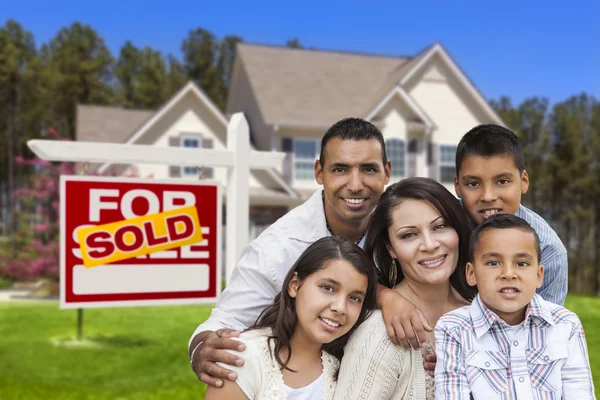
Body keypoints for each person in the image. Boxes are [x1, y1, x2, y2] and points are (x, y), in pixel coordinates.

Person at [189, 118, 434, 388]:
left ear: (386, 172)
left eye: (368, 169)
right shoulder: (276, 249)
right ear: (319, 172)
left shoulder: (400, 224)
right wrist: (202, 349)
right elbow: (225, 322)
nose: (355, 184)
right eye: (340, 169)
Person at [333, 178, 477, 400]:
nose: (429, 245)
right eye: (409, 235)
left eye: (440, 226)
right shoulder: (379, 333)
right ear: (391, 248)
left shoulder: (484, 313)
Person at [434, 214, 594, 400]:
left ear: (539, 275)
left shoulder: (565, 325)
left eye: (521, 263)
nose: (508, 274)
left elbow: (580, 393)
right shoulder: (453, 328)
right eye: (493, 263)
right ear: (471, 273)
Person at [204, 236, 377, 400]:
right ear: (294, 285)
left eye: (355, 298)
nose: (340, 308)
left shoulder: (344, 369)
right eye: (328, 288)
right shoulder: (244, 357)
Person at [454, 124, 568, 305]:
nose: (488, 196)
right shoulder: (440, 226)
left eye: (502, 181)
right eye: (473, 184)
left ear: (523, 182)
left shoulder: (549, 251)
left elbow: (547, 327)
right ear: (458, 186)